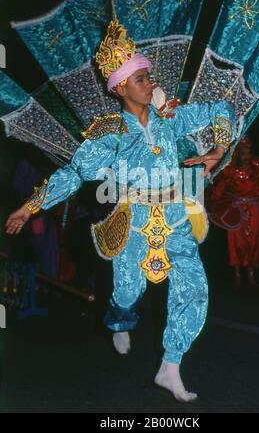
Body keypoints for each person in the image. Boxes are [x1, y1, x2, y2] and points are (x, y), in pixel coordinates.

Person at [6, 20, 237, 403]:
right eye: (142, 79)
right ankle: (118, 318)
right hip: (133, 222)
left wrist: (218, 149)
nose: (151, 84)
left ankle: (171, 366)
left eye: (149, 77)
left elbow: (221, 108)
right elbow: (75, 173)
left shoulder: (169, 118)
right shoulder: (110, 131)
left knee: (194, 289)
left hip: (177, 216)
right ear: (121, 87)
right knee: (130, 289)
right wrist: (30, 207)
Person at [208, 138, 259, 290]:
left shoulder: (257, 169)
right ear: (238, 154)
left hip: (254, 210)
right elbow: (219, 189)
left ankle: (251, 275)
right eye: (243, 153)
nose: (247, 156)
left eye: (249, 153)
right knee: (235, 242)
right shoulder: (230, 170)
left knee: (254, 242)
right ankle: (237, 275)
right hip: (236, 210)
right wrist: (213, 204)